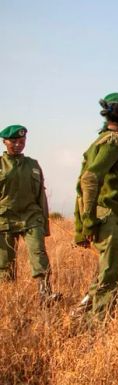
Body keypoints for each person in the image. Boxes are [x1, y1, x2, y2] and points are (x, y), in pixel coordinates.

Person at [72, 93, 118, 320]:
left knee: (112, 277)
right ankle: (95, 331)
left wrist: (83, 223)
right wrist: (87, 220)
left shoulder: (101, 141)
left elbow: (82, 184)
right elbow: (90, 179)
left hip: (116, 219)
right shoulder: (115, 141)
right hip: (114, 219)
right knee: (112, 282)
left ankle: (80, 318)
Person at [0, 124, 60, 303]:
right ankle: (8, 300)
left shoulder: (33, 165)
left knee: (39, 254)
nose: (18, 144)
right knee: (4, 263)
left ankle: (45, 294)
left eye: (22, 141)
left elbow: (41, 196)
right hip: (4, 220)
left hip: (31, 218)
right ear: (5, 142)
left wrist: (45, 225)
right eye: (14, 141)